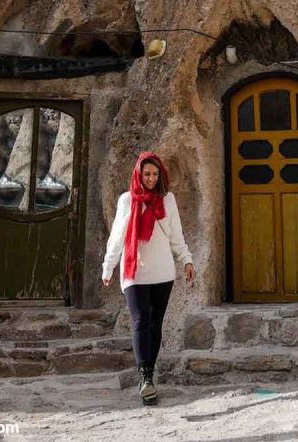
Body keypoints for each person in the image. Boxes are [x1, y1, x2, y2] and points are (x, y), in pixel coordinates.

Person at [102, 151, 196, 405]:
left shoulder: (168, 200)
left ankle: (149, 377)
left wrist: (186, 259)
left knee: (155, 324)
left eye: (155, 174)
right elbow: (118, 236)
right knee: (140, 321)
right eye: (147, 174)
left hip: (163, 271)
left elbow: (176, 235)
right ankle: (144, 375)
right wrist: (108, 266)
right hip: (135, 272)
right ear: (138, 174)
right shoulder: (126, 200)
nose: (151, 179)